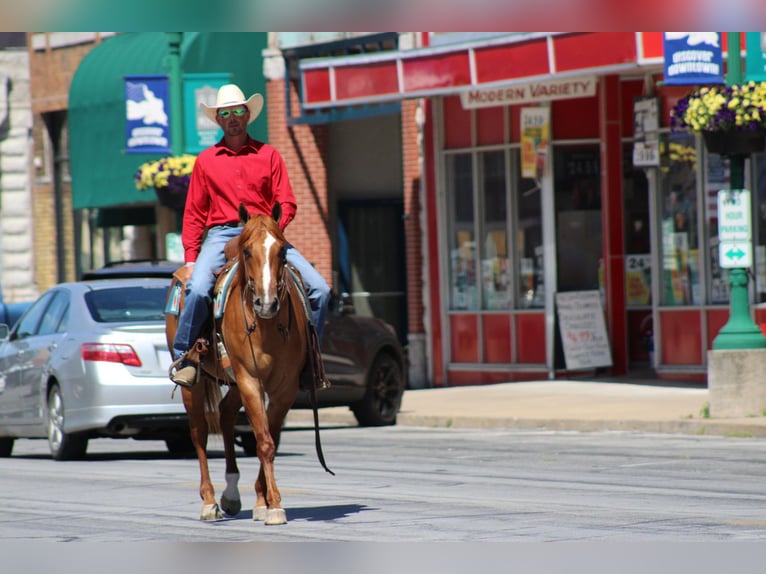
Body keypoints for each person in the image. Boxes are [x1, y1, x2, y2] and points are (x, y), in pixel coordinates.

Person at [170, 83, 331, 388]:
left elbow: (287, 201)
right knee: (200, 287)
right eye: (226, 113)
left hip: (264, 231)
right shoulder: (206, 161)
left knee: (321, 290)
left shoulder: (269, 155)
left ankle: (311, 360)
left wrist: (271, 231)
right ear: (218, 120)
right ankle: (186, 357)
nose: (233, 118)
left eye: (238, 112)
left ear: (247, 116)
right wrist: (191, 259)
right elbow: (193, 214)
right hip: (221, 234)